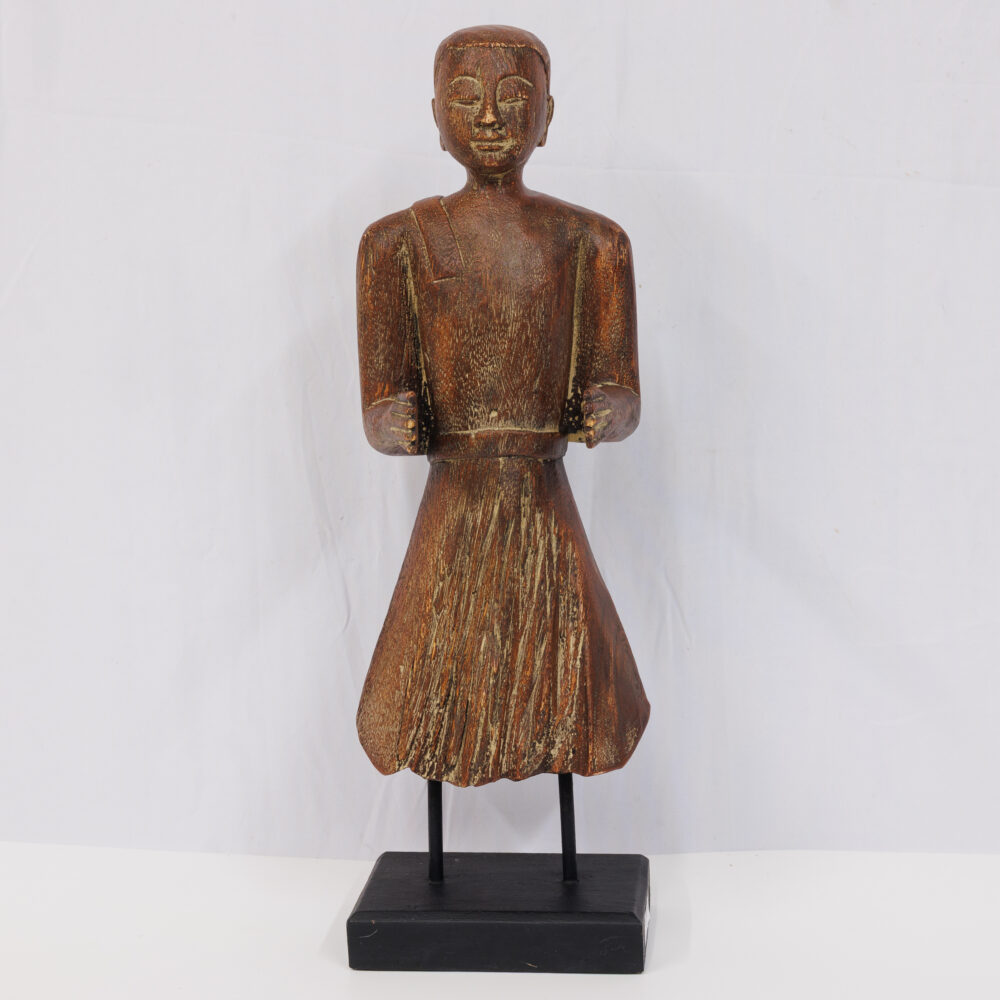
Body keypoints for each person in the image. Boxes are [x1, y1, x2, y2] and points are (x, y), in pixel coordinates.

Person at [355, 26, 649, 805]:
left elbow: (620, 388)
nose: (489, 117)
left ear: (547, 117)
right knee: (439, 660)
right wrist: (391, 421)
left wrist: (609, 409)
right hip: (455, 498)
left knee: (569, 663)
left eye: (514, 97)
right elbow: (382, 396)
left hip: (541, 493)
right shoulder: (397, 245)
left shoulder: (593, 243)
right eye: (466, 97)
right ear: (436, 116)